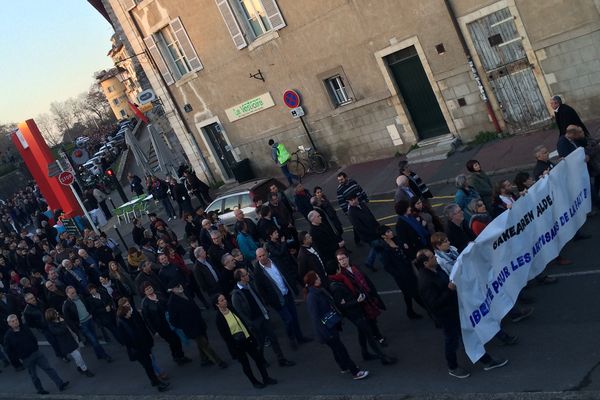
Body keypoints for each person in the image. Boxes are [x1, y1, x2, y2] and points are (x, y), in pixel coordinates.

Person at [415, 249, 508, 378]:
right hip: (446, 316)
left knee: (467, 335)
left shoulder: (436, 270)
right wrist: (449, 290)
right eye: (432, 257)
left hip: (454, 310)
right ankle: (453, 367)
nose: (435, 258)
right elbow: (434, 304)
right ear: (425, 263)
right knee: (452, 340)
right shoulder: (425, 281)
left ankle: (486, 360)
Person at [304, 271, 369, 380]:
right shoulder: (312, 297)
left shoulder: (318, 292)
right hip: (327, 329)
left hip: (330, 326)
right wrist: (326, 333)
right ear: (313, 281)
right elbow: (315, 318)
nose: (319, 278)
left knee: (336, 349)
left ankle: (344, 367)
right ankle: (355, 371)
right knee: (341, 349)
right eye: (317, 277)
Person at [329, 250, 392, 361]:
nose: (342, 261)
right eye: (340, 260)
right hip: (358, 305)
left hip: (365, 299)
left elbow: (366, 281)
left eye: (343, 258)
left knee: (365, 328)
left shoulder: (355, 268)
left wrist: (372, 294)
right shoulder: (341, 277)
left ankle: (366, 352)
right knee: (367, 327)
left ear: (348, 258)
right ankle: (381, 353)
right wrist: (356, 300)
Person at [230, 268, 294, 367]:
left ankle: (281, 359)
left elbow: (258, 298)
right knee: (259, 343)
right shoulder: (236, 294)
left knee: (273, 338)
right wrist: (250, 324)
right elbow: (240, 312)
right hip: (254, 321)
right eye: (246, 274)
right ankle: (261, 361)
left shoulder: (250, 285)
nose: (248, 275)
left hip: (263, 316)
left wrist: (265, 310)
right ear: (241, 278)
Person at [213, 293, 277, 389]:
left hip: (246, 339)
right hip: (237, 345)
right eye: (221, 300)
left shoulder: (231, 309)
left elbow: (242, 323)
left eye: (224, 299)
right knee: (246, 365)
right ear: (217, 304)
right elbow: (226, 337)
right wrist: (233, 349)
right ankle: (254, 382)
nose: (225, 301)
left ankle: (266, 378)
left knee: (258, 359)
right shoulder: (219, 319)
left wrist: (250, 336)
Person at [253, 248, 312, 350]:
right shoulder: (257, 272)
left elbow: (286, 273)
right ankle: (291, 339)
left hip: (287, 293)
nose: (262, 257)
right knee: (288, 320)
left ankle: (300, 337)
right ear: (257, 258)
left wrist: (293, 286)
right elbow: (261, 290)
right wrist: (270, 301)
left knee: (294, 316)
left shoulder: (276, 261)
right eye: (260, 256)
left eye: (263, 255)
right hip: (277, 300)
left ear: (267, 253)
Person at [4, 314, 69, 394]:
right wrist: (18, 359)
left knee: (48, 368)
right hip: (26, 358)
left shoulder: (25, 328)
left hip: (36, 353)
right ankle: (40, 390)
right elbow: (9, 351)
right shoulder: (8, 336)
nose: (15, 322)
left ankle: (60, 384)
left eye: (16, 320)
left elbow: (33, 338)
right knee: (33, 375)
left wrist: (35, 347)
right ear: (9, 324)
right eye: (13, 321)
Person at [167, 282, 227, 368]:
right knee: (205, 344)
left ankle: (204, 359)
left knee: (202, 343)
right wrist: (184, 325)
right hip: (191, 327)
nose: (180, 287)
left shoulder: (186, 293)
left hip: (199, 322)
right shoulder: (172, 303)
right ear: (172, 290)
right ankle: (219, 362)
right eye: (176, 286)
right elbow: (173, 320)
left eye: (180, 285)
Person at [116, 303, 170, 392]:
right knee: (148, 367)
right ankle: (158, 384)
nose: (130, 312)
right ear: (125, 314)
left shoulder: (127, 320)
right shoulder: (123, 323)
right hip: (139, 350)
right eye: (129, 312)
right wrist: (144, 348)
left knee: (148, 366)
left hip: (141, 348)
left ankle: (155, 381)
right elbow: (128, 340)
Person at [377, 225, 426, 320]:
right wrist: (399, 274)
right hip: (402, 276)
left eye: (390, 230)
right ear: (383, 236)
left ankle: (410, 311)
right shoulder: (384, 249)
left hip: (409, 270)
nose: (390, 232)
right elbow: (387, 266)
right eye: (387, 232)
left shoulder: (396, 240)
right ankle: (430, 311)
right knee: (415, 293)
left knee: (408, 294)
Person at [62, 286, 113, 362]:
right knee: (94, 340)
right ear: (67, 294)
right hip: (82, 325)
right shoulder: (66, 305)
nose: (75, 294)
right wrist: (77, 326)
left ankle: (98, 354)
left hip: (89, 320)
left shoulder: (80, 297)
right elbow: (68, 320)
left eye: (75, 292)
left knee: (94, 338)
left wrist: (91, 313)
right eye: (72, 293)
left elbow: (88, 305)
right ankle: (104, 355)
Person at [44, 308, 94, 377]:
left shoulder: (60, 318)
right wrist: (62, 322)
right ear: (52, 316)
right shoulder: (52, 326)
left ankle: (79, 367)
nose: (57, 313)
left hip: (73, 338)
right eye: (55, 312)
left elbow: (69, 325)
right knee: (78, 356)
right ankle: (85, 369)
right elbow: (61, 331)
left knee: (78, 354)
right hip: (67, 343)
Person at [346, 192, 380, 272]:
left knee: (375, 246)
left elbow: (370, 215)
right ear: (349, 202)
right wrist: (372, 232)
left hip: (374, 230)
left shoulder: (362, 204)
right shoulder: (351, 213)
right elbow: (359, 227)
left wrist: (377, 225)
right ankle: (370, 262)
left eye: (354, 199)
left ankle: (369, 262)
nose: (354, 201)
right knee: (377, 245)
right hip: (368, 234)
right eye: (351, 200)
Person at [336, 172, 368, 245]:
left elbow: (360, 189)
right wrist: (346, 212)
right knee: (356, 225)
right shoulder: (339, 190)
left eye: (341, 179)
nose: (340, 182)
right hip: (352, 209)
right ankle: (357, 240)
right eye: (339, 180)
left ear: (346, 177)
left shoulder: (353, 182)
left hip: (360, 204)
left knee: (365, 219)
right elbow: (341, 202)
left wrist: (365, 198)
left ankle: (366, 234)